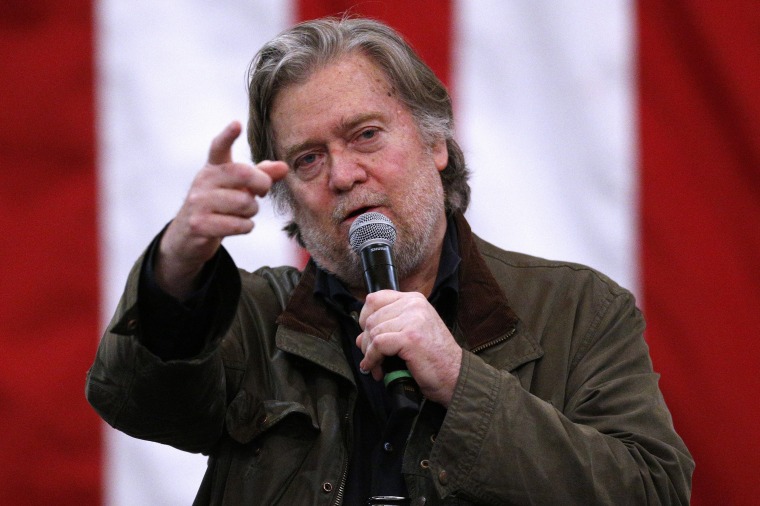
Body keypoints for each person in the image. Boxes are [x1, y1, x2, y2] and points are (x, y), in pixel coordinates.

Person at [86, 16, 694, 505]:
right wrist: (176, 264)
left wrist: (461, 382)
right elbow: (136, 403)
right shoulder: (255, 318)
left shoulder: (579, 310)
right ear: (287, 195)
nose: (345, 176)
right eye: (308, 160)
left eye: (366, 134)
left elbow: (653, 491)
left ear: (436, 143)